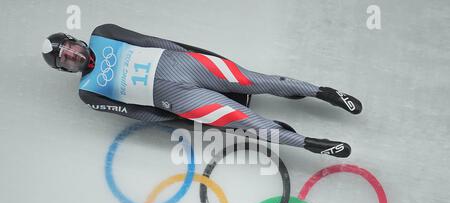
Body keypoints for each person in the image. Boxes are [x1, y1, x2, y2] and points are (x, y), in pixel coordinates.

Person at [42, 24, 362, 157]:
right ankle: (312, 144)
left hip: (185, 64)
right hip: (178, 100)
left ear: (75, 41)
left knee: (256, 80)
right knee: (246, 122)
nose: (72, 56)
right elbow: (134, 112)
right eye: (66, 61)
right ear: (65, 69)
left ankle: (323, 92)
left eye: (68, 49)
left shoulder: (103, 33)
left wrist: (199, 55)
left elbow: (153, 42)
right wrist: (174, 120)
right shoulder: (88, 92)